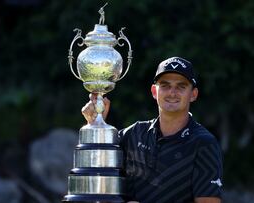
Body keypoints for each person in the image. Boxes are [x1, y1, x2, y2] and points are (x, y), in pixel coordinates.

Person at [82, 56, 223, 203]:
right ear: (154, 91)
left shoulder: (204, 143)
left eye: (181, 86)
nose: (172, 93)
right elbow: (97, 169)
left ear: (193, 94)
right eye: (165, 85)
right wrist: (96, 124)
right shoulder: (134, 134)